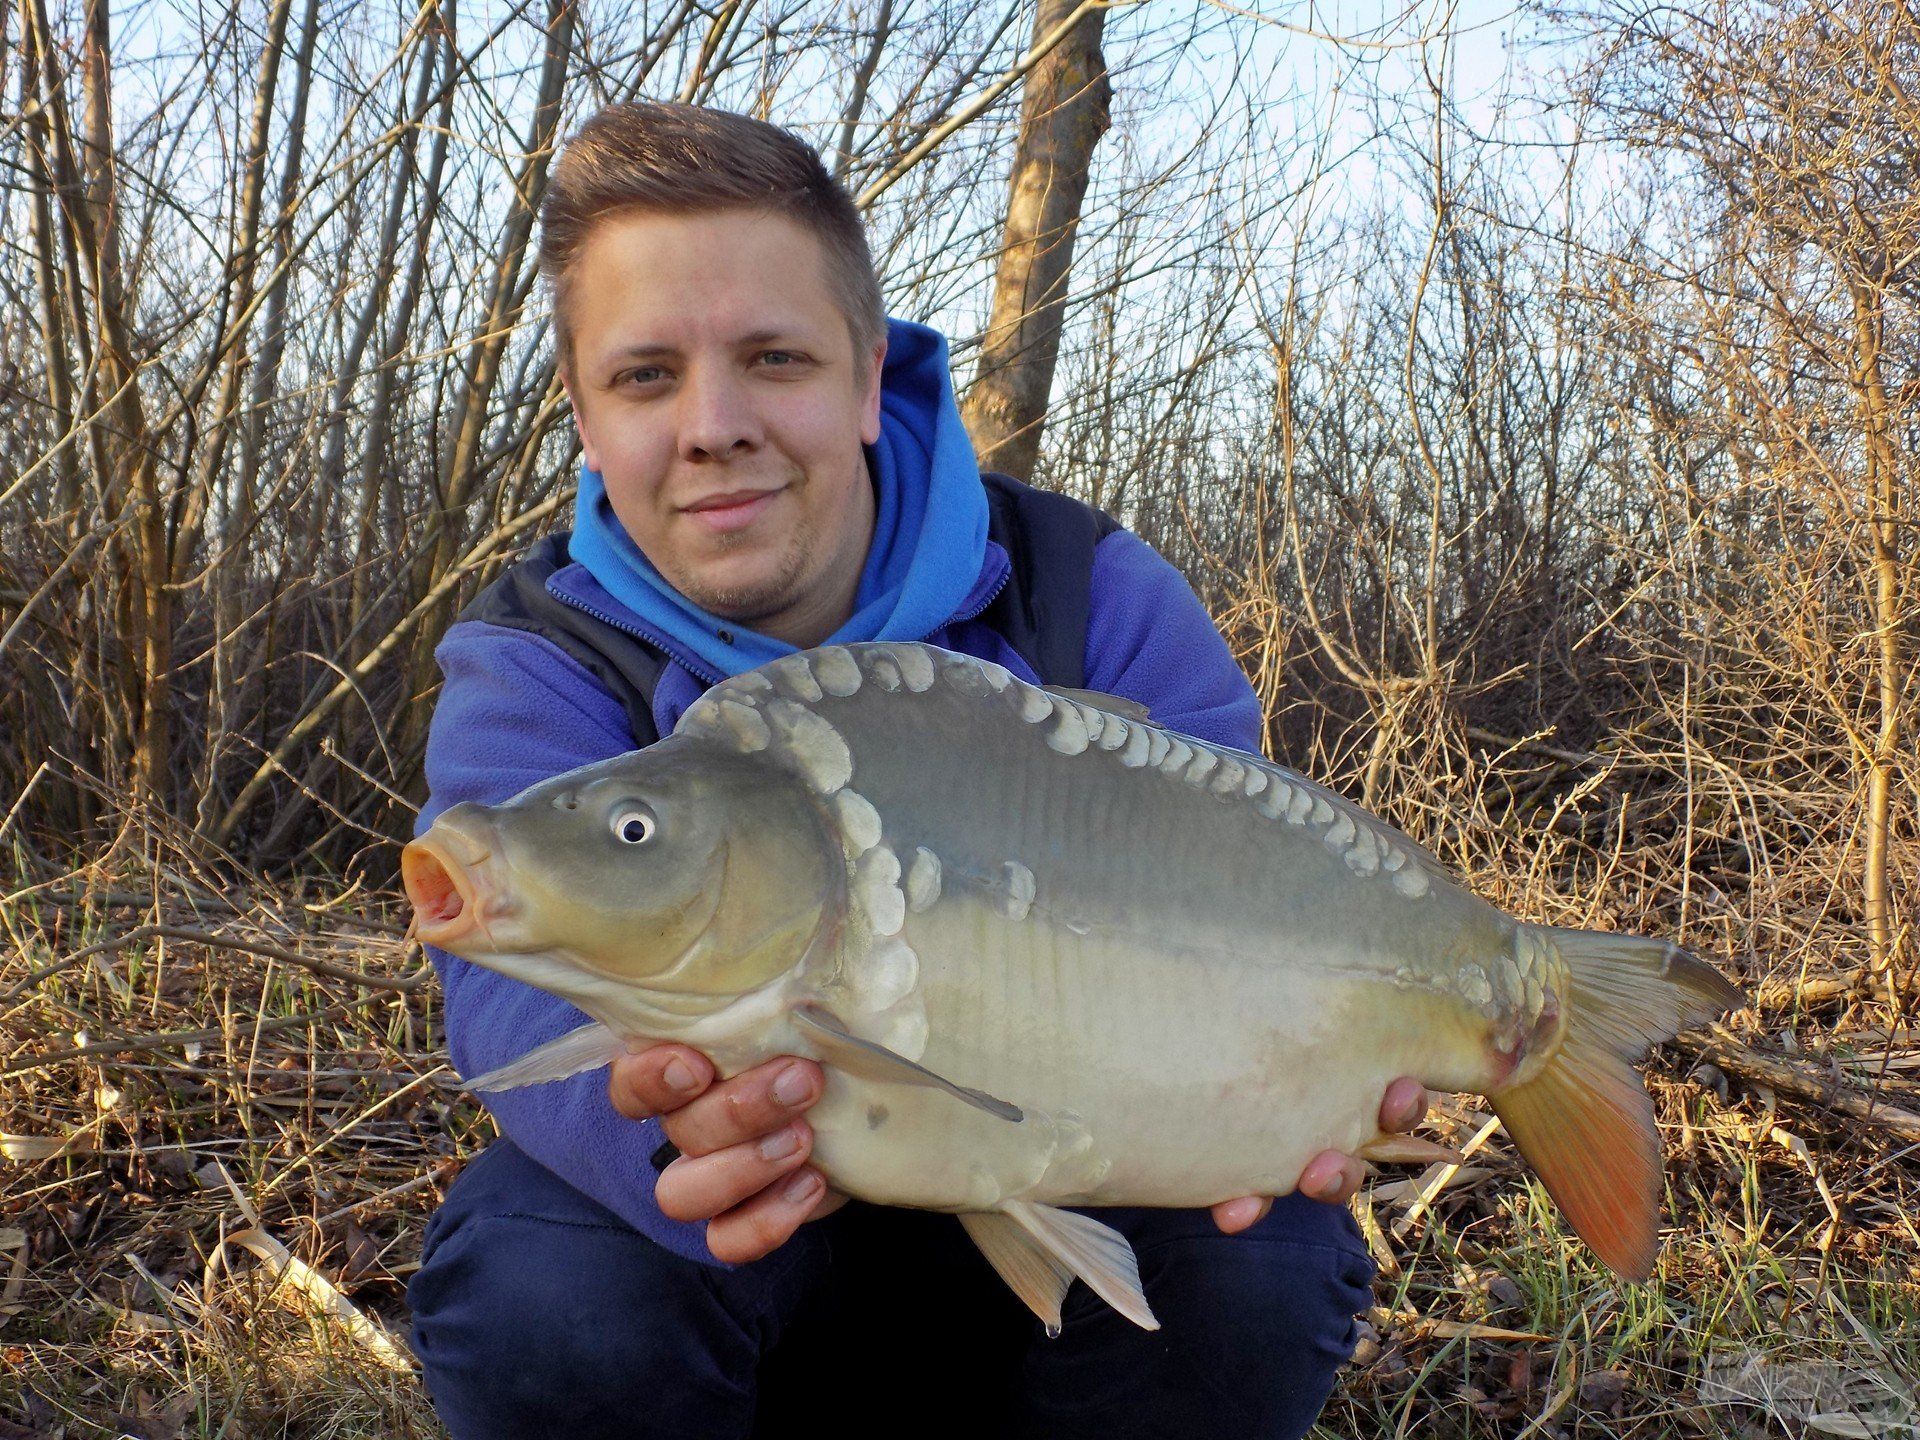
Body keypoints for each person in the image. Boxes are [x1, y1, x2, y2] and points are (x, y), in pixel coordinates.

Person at [406, 101, 1426, 1439]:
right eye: (646, 377)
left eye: (773, 357)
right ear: (586, 419)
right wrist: (672, 1126)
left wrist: (1295, 1076)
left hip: (1071, 1151)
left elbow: (1241, 898)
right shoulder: (541, 654)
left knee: (1264, 1261)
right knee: (547, 1292)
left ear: (868, 371)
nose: (712, 425)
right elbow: (500, 984)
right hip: (750, 1228)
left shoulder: (1083, 595)